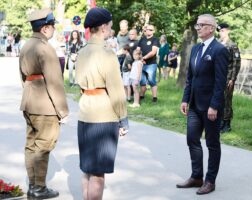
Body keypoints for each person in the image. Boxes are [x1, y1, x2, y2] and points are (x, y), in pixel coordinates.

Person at [75, 7, 129, 200]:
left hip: (84, 112)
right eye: (111, 26)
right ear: (104, 27)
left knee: (87, 170)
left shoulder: (81, 52)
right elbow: (116, 90)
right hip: (103, 116)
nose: (111, 29)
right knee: (98, 173)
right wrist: (123, 119)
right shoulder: (107, 54)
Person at [19, 8, 69, 199]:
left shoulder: (26, 46)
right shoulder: (45, 48)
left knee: (31, 145)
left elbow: (23, 78)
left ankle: (33, 185)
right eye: (53, 26)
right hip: (45, 106)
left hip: (29, 101)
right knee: (43, 146)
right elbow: (54, 82)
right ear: (46, 28)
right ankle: (39, 188)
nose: (54, 29)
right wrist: (63, 110)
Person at [176, 14, 229, 195]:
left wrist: (214, 105)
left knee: (212, 143)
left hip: (210, 107)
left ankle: (210, 180)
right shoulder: (196, 48)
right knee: (192, 139)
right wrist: (185, 99)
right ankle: (196, 176)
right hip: (194, 105)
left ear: (211, 28)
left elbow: (220, 82)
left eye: (201, 25)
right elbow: (191, 78)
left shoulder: (220, 50)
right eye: (197, 25)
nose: (197, 28)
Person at [217, 23, 241, 133]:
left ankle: (226, 124)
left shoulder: (232, 45)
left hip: (228, 77)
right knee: (218, 99)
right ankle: (219, 121)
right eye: (219, 31)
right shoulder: (217, 44)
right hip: (218, 76)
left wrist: (232, 79)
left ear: (227, 31)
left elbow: (236, 63)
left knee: (226, 100)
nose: (220, 33)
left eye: (222, 31)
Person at [136, 24, 159, 102]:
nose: (148, 31)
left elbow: (153, 52)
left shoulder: (155, 40)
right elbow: (138, 50)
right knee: (142, 81)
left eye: (151, 30)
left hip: (151, 64)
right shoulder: (142, 39)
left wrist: (144, 58)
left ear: (154, 31)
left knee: (151, 81)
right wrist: (139, 58)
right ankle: (141, 96)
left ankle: (154, 98)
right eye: (147, 29)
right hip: (142, 64)